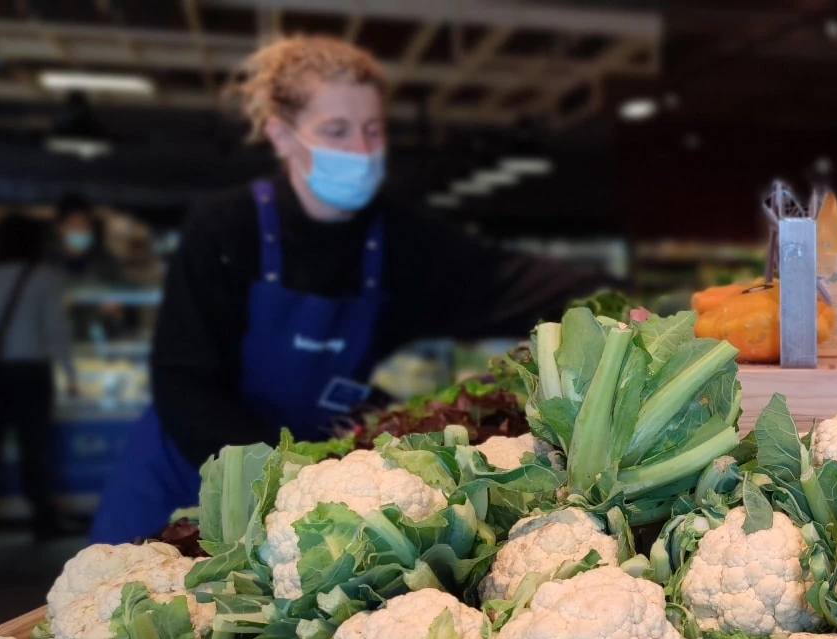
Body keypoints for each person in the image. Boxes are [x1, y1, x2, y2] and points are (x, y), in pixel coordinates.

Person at [90, 35, 609, 544]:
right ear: (282, 135)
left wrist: (619, 303)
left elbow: (509, 280)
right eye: (336, 130)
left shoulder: (399, 238)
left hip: (303, 479)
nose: (360, 150)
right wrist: (275, 478)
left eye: (372, 130)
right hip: (186, 477)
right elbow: (183, 378)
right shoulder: (226, 227)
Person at [0, 214, 75, 541]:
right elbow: (57, 330)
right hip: (31, 371)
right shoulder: (46, 278)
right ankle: (42, 519)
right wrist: (70, 373)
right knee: (35, 446)